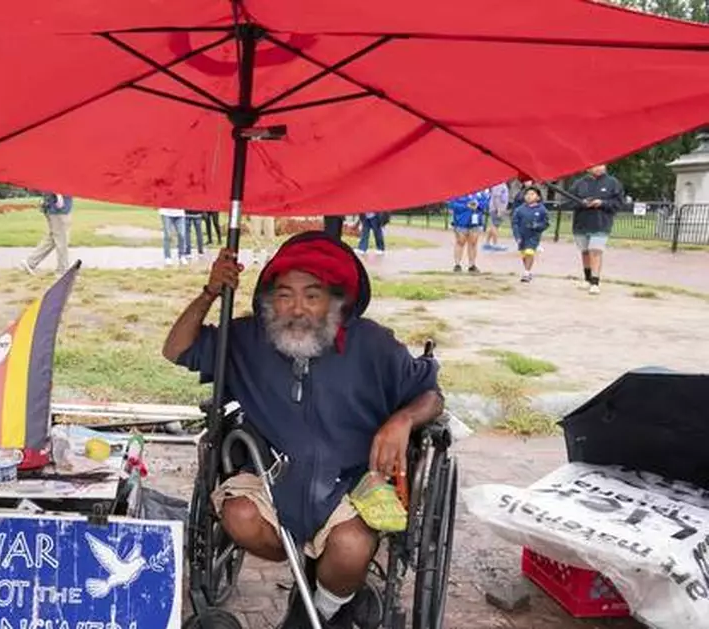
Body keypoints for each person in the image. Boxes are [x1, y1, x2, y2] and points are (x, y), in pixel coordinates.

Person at [163, 233, 442, 629]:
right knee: (238, 517)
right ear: (268, 300)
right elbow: (176, 350)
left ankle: (322, 609)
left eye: (312, 296)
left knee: (349, 547)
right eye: (284, 295)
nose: (296, 309)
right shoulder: (248, 338)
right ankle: (315, 572)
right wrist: (210, 292)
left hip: (350, 482)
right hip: (271, 475)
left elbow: (431, 395)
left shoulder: (373, 345)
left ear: (335, 301)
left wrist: (402, 420)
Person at [565, 164, 625, 295]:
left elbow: (619, 203)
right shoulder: (579, 183)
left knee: (595, 251)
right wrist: (581, 203)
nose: (599, 168)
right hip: (581, 223)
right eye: (595, 165)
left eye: (601, 165)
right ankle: (587, 279)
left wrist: (602, 203)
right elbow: (568, 202)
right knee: (585, 252)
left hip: (601, 224)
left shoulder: (612, 183)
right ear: (588, 168)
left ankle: (595, 282)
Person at [19, 192, 73, 275]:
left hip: (57, 206)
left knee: (53, 238)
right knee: (62, 240)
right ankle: (63, 270)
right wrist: (58, 195)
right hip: (59, 208)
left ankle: (30, 262)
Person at [511, 186, 550, 283]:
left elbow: (546, 223)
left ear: (538, 197)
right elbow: (515, 223)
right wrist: (517, 236)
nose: (529, 196)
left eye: (532, 194)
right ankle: (528, 270)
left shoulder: (542, 210)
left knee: (529, 252)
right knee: (524, 254)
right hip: (522, 235)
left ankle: (526, 272)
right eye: (527, 194)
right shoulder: (519, 210)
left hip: (533, 236)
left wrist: (537, 226)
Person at [447, 189, 489, 273]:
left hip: (475, 222)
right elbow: (452, 204)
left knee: (473, 243)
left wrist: (478, 205)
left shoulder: (481, 191)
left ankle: (472, 265)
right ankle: (457, 265)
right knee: (460, 242)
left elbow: (486, 203)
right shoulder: (457, 190)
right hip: (461, 222)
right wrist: (466, 206)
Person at [485, 182, 510, 251]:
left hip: (498, 208)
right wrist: (499, 209)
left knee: (494, 225)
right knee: (495, 225)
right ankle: (495, 243)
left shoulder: (502, 184)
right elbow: (496, 197)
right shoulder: (499, 184)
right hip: (496, 208)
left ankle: (487, 243)